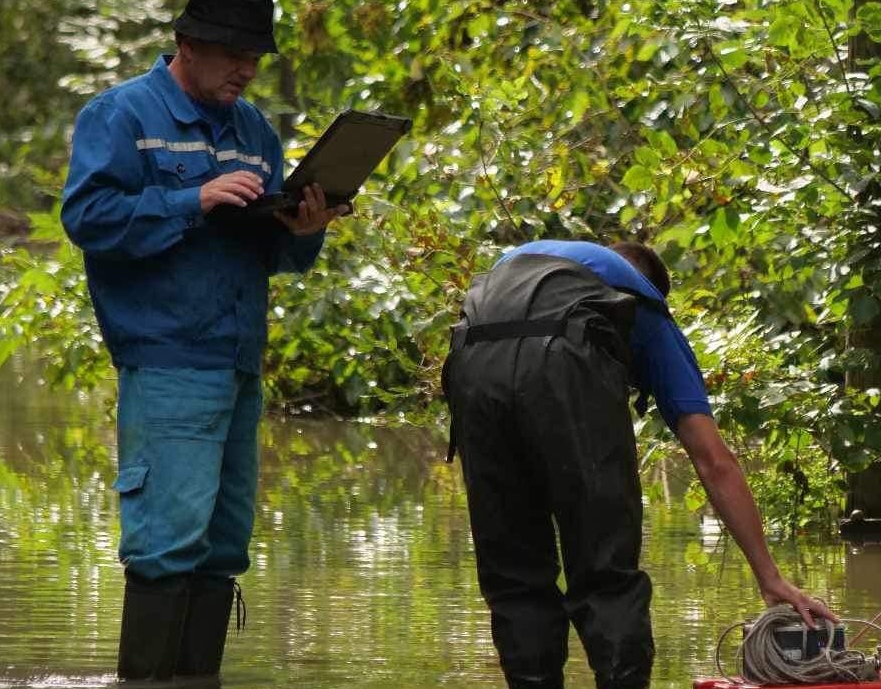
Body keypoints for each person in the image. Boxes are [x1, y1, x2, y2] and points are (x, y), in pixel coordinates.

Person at [59, 0, 349, 680]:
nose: (247, 69)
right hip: (166, 359)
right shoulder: (121, 116)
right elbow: (88, 217)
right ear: (187, 44)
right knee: (167, 540)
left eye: (255, 56)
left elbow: (270, 254)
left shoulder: (254, 131)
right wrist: (193, 200)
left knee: (223, 543)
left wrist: (304, 230)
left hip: (239, 359)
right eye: (232, 53)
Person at [443, 239, 838, 689]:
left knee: (516, 579)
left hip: (471, 361)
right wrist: (770, 577)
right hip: (566, 364)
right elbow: (713, 460)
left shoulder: (519, 261)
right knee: (605, 575)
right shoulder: (644, 308)